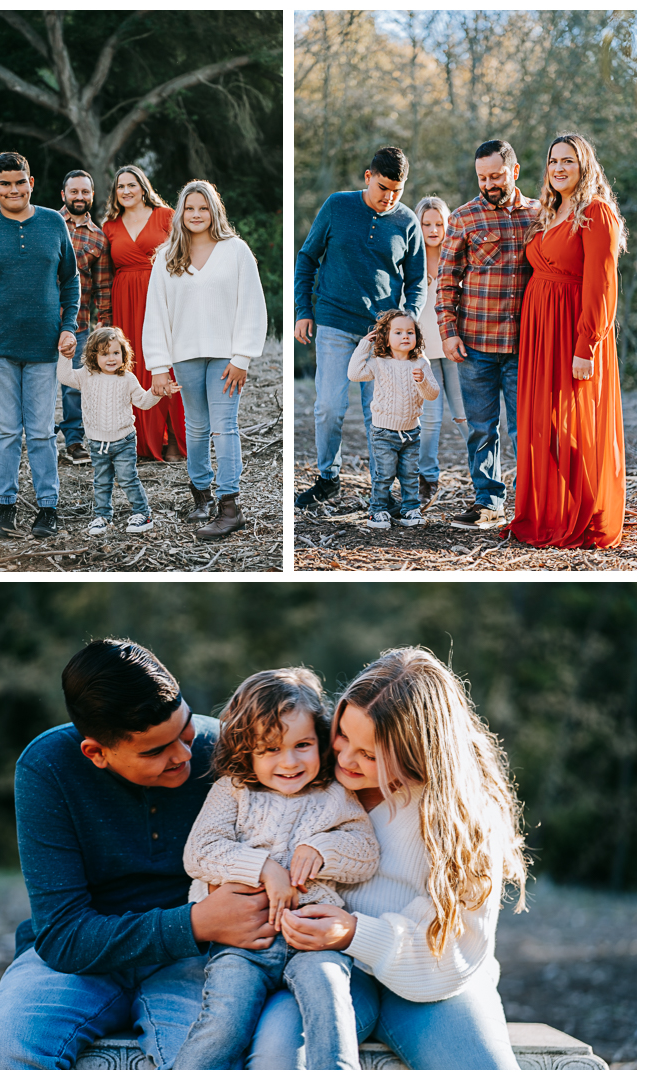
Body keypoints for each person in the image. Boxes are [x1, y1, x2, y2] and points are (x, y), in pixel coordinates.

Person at [0, 639, 278, 1070]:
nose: (185, 755)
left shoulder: (230, 749)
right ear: (96, 752)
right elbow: (63, 936)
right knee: (6, 1046)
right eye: (155, 751)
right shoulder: (47, 768)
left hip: (196, 959)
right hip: (85, 959)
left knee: (199, 1058)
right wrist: (198, 922)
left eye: (185, 729)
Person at [247, 647, 529, 1071]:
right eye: (342, 735)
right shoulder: (305, 770)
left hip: (436, 986)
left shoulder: (466, 814)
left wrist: (354, 932)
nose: (344, 758)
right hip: (321, 969)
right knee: (278, 1055)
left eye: (372, 754)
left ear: (421, 752)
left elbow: (456, 946)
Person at [173, 668, 380, 1070]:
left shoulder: (336, 795)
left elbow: (366, 853)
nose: (289, 762)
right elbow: (199, 852)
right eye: (269, 749)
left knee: (331, 1003)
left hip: (313, 937)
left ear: (320, 740)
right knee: (223, 1025)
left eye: (302, 744)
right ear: (246, 750)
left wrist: (322, 848)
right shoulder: (233, 791)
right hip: (244, 943)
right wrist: (265, 869)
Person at [501, 133, 627, 549]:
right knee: (538, 423)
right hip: (540, 333)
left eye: (568, 161)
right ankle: (555, 507)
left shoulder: (596, 213)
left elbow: (601, 288)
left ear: (584, 165)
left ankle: (589, 509)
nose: (558, 168)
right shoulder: (549, 211)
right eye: (553, 160)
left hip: (572, 331)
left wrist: (585, 346)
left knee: (563, 424)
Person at [294, 147, 428, 508]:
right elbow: (307, 258)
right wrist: (302, 310)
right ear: (368, 177)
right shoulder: (337, 206)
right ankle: (328, 478)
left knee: (380, 414)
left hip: (382, 336)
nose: (390, 197)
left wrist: (407, 320)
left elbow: (417, 280)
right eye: (383, 187)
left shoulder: (407, 223)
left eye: (397, 191)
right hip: (335, 321)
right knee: (329, 407)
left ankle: (381, 490)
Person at [0, 150, 79, 539]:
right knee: (7, 431)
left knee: (41, 431)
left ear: (32, 183)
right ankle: (5, 505)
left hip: (44, 348)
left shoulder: (53, 223)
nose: (14, 189)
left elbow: (71, 281)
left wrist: (69, 326)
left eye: (20, 182)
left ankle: (47, 507)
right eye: (5, 184)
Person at [143, 180, 268, 539]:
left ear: (215, 211)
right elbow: (157, 314)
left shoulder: (236, 251)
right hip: (185, 356)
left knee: (223, 427)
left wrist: (243, 357)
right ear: (179, 213)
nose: (196, 215)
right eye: (190, 208)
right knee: (195, 428)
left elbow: (252, 306)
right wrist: (159, 367)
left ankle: (230, 507)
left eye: (203, 208)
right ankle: (202, 496)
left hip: (227, 357)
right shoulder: (167, 256)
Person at [435, 141, 540, 530]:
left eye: (496, 176)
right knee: (481, 429)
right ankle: (488, 503)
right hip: (475, 345)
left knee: (525, 429)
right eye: (482, 177)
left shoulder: (539, 215)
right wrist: (448, 334)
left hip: (525, 347)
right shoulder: (463, 218)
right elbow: (446, 282)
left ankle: (532, 504)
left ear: (514, 171)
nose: (488, 184)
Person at [102, 165, 186, 463]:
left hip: (162, 294)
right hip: (125, 300)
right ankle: (140, 440)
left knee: (167, 363)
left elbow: (185, 251)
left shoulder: (165, 216)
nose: (125, 191)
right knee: (134, 367)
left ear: (143, 188)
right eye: (120, 186)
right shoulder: (110, 225)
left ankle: (175, 438)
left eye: (131, 185)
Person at [57, 327, 171, 536]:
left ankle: (142, 513)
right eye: (104, 353)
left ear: (123, 354)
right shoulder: (86, 375)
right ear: (94, 356)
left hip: (124, 441)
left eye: (116, 353)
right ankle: (102, 517)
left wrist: (157, 393)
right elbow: (64, 376)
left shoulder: (127, 379)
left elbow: (143, 403)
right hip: (96, 442)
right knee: (101, 481)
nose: (111, 358)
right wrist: (65, 355)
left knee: (128, 479)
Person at [347, 310, 439, 529]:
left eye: (410, 332)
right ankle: (377, 511)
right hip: (383, 432)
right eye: (398, 332)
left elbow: (432, 393)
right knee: (384, 474)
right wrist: (363, 346)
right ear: (386, 337)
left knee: (410, 474)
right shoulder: (379, 362)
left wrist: (422, 380)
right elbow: (354, 374)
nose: (405, 336)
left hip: (411, 432)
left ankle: (411, 510)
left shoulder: (420, 363)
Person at [413, 197, 468, 501]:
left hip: (454, 346)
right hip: (423, 351)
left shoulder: (458, 257)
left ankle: (485, 476)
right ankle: (427, 480)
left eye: (439, 224)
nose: (433, 229)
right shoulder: (410, 260)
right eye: (426, 224)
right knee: (430, 420)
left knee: (465, 416)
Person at [56, 169, 112, 466]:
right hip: (40, 320)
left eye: (85, 192)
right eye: (74, 191)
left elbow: (102, 285)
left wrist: (104, 322)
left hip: (77, 323)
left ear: (92, 195)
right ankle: (38, 435)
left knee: (73, 386)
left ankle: (75, 442)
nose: (79, 197)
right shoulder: (47, 223)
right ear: (63, 194)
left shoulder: (99, 238)